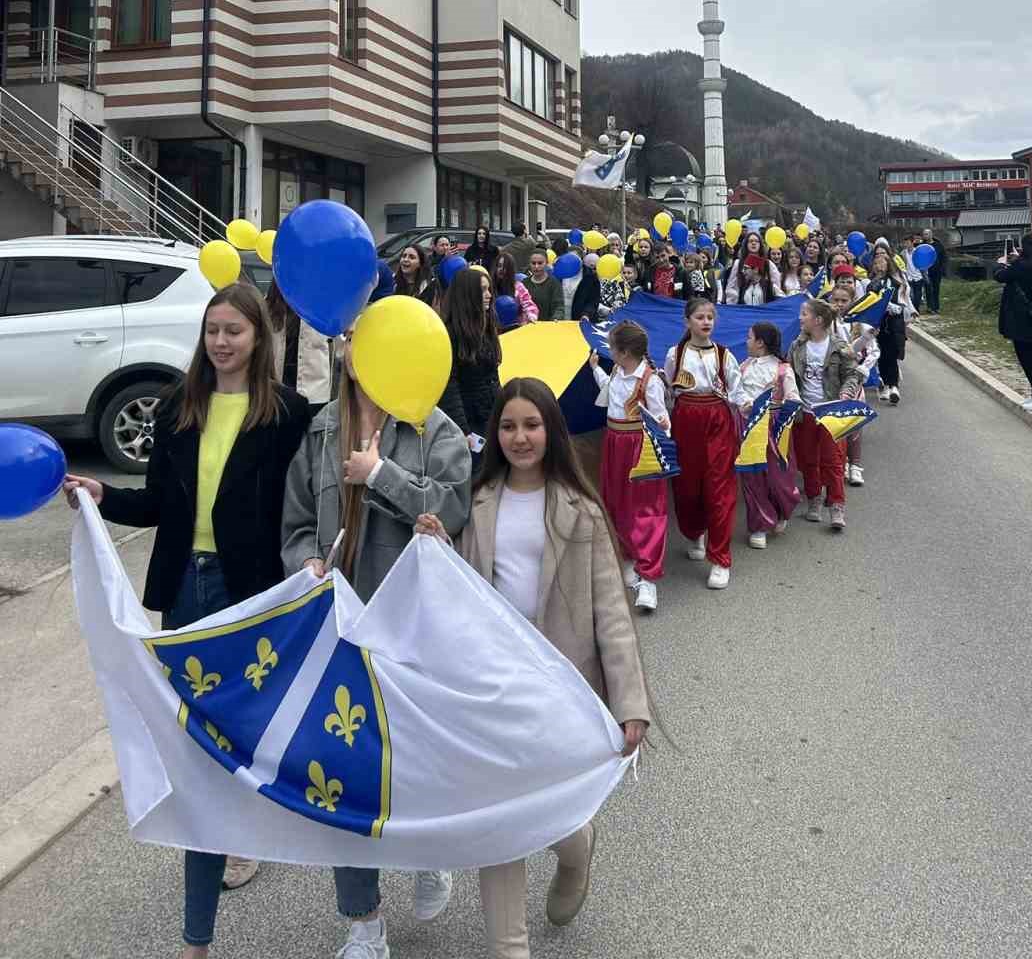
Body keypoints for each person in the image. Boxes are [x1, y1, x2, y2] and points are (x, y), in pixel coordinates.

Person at [62, 283, 312, 953]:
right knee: (194, 736)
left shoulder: (287, 414)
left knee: (243, 726)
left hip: (249, 590)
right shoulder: (180, 405)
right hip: (185, 589)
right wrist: (102, 495)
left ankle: (241, 835)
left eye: (234, 330)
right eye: (212, 330)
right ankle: (211, 858)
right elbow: (157, 505)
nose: (221, 342)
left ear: (258, 337)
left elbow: (300, 506)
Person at [414, 379, 650, 959]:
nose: (520, 437)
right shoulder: (477, 502)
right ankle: (509, 949)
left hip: (559, 691)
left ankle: (577, 849)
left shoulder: (580, 510)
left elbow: (611, 614)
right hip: (493, 690)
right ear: (495, 434)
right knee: (501, 820)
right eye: (508, 426)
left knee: (551, 812)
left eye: (531, 425)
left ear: (551, 431)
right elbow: (462, 589)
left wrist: (630, 702)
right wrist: (440, 543)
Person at [277, 321, 471, 958]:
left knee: (411, 762)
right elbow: (297, 522)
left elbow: (452, 509)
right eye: (352, 338)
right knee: (342, 771)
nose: (360, 349)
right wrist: (304, 562)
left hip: (409, 630)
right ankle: (363, 923)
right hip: (338, 629)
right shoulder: (321, 429)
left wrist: (380, 473)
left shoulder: (433, 429)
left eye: (374, 337)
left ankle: (427, 854)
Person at [663, 295, 746, 589]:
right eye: (700, 317)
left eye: (710, 317)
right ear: (687, 321)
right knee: (687, 486)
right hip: (685, 421)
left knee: (719, 488)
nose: (706, 322)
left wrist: (746, 404)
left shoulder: (724, 355)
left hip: (717, 421)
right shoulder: (675, 354)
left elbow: (736, 390)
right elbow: (669, 391)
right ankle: (694, 531)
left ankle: (720, 558)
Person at [589, 319, 672, 611]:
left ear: (624, 352)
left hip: (640, 448)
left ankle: (648, 578)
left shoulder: (650, 381)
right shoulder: (616, 371)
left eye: (612, 348)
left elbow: (662, 418)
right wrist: (595, 368)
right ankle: (627, 556)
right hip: (615, 444)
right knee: (617, 501)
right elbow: (608, 391)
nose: (609, 351)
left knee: (646, 508)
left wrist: (663, 426)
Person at [788, 298, 859, 531]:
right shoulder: (797, 346)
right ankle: (814, 499)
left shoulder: (839, 346)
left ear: (818, 320)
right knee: (808, 459)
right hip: (805, 412)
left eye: (804, 314)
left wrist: (846, 392)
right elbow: (789, 374)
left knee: (833, 460)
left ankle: (837, 505)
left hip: (830, 412)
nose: (800, 318)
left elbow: (853, 374)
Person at [739, 322, 802, 547]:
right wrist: (744, 404)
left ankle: (783, 508)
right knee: (752, 475)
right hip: (750, 427)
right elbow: (737, 392)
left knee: (778, 476)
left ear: (760, 343)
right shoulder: (744, 366)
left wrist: (782, 412)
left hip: (775, 426)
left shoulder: (783, 369)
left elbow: (793, 397)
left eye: (749, 337)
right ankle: (759, 526)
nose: (746, 341)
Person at [443, 266, 502, 454]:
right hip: (469, 422)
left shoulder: (486, 326)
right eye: (483, 290)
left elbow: (492, 376)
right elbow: (449, 385)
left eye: (489, 289)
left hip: (489, 415)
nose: (489, 295)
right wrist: (463, 429)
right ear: (468, 295)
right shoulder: (450, 334)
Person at [995, 233, 1032, 413]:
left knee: (1028, 360)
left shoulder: (1021, 265)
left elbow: (1000, 276)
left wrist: (1001, 262)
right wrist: (1017, 260)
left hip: (1022, 320)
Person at [827, 271, 876, 485]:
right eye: (836, 300)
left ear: (851, 301)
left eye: (844, 301)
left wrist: (863, 369)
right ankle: (840, 462)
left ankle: (855, 464)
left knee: (854, 419)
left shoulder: (860, 323)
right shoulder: (826, 323)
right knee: (836, 421)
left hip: (854, 377)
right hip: (831, 377)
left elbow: (873, 350)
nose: (839, 305)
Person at [265, 279, 332, 407]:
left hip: (314, 393)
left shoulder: (323, 307)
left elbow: (340, 346)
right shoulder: (268, 306)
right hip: (275, 392)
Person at [867, 242, 911, 406]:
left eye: (883, 262)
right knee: (881, 355)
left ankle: (894, 386)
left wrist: (892, 306)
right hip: (878, 324)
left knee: (892, 354)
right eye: (876, 262)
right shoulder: (871, 284)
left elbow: (902, 303)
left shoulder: (896, 282)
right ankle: (885, 384)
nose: (879, 265)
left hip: (893, 323)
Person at [493, 250, 540, 325]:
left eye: (505, 267)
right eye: (499, 266)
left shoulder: (518, 287)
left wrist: (531, 316)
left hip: (515, 326)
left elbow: (528, 304)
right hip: (494, 326)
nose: (501, 269)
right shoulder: (490, 286)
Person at [524, 248, 565, 321]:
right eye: (533, 263)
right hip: (528, 325)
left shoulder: (554, 283)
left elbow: (559, 306)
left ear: (546, 263)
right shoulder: (524, 283)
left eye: (540, 263)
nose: (536, 266)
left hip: (548, 325)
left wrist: (556, 317)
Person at [571, 253, 604, 321]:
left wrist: (586, 314)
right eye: (593, 267)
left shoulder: (592, 278)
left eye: (596, 268)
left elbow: (593, 301)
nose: (595, 270)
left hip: (583, 319)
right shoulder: (562, 275)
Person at [921, 229, 947, 314]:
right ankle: (930, 307)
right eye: (924, 234)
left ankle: (936, 307)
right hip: (926, 271)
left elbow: (943, 257)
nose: (925, 236)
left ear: (931, 234)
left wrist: (942, 269)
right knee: (928, 289)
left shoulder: (938, 245)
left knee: (936, 289)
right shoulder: (922, 246)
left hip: (937, 271)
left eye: (927, 234)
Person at [904, 236, 925, 312]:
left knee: (918, 295)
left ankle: (916, 309)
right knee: (911, 295)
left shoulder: (917, 252)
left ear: (912, 242)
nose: (906, 244)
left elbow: (923, 263)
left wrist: (924, 273)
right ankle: (912, 310)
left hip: (918, 276)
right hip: (909, 276)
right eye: (905, 243)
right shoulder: (903, 253)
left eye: (908, 243)